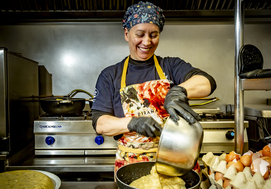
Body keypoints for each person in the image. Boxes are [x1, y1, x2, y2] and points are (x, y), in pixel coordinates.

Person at [91, 1, 216, 174]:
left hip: (178, 163)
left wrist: (179, 91)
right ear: (127, 34)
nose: (147, 41)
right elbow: (100, 123)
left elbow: (206, 82)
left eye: (154, 34)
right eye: (140, 34)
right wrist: (132, 123)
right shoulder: (111, 75)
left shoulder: (171, 66)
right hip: (131, 166)